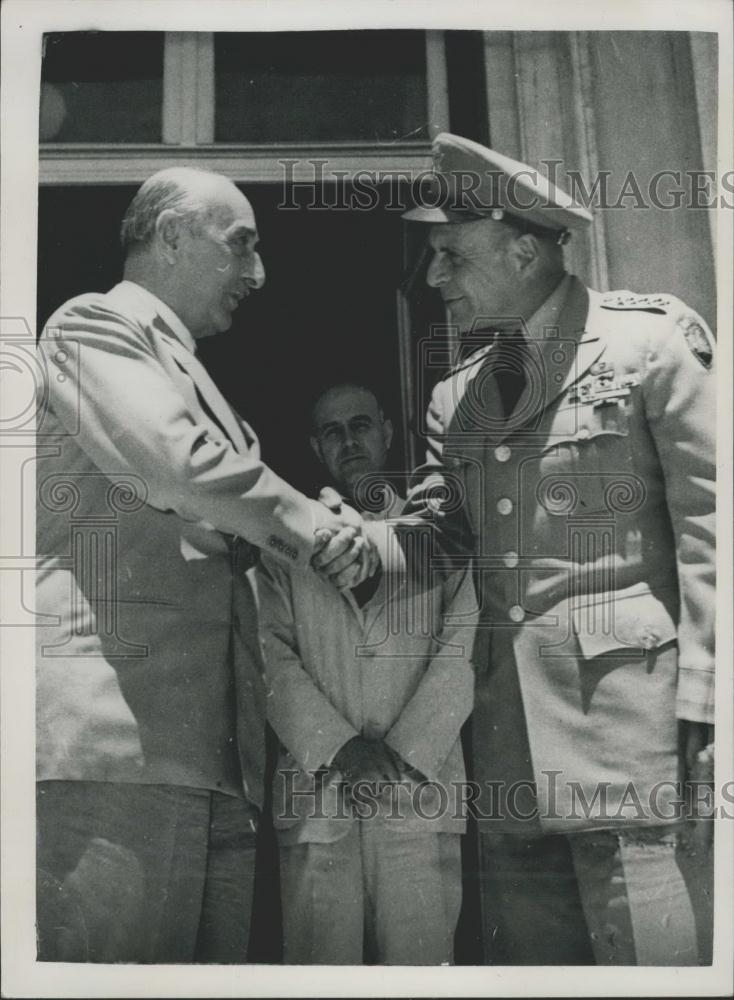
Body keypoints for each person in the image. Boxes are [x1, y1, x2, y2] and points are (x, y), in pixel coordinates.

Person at [34, 167, 373, 963]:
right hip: (116, 751)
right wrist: (315, 528)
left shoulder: (190, 372)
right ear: (173, 236)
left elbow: (235, 519)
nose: (258, 275)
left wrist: (344, 529)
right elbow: (178, 467)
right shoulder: (93, 326)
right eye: (241, 245)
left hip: (213, 766)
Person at [394, 132, 716, 965]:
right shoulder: (454, 400)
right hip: (509, 754)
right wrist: (337, 537)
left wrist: (712, 707)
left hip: (634, 736)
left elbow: (713, 530)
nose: (435, 280)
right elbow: (439, 543)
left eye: (450, 255)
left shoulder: (646, 349)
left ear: (523, 248)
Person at [257, 383, 477, 964]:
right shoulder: (283, 544)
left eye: (361, 424)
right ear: (315, 445)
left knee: (421, 970)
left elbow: (463, 650)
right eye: (333, 431)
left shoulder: (435, 539)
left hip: (419, 793)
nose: (349, 439)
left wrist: (403, 757)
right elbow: (270, 658)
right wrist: (341, 750)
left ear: (387, 432)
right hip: (320, 799)